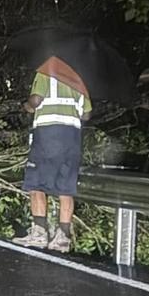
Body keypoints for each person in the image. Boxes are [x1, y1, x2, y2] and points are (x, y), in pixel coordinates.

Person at [12, 55, 91, 252]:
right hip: (72, 136)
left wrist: (27, 106)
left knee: (36, 182)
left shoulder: (48, 67)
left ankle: (39, 233)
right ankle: (62, 238)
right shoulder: (79, 77)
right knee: (66, 187)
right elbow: (87, 114)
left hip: (48, 135)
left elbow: (36, 100)